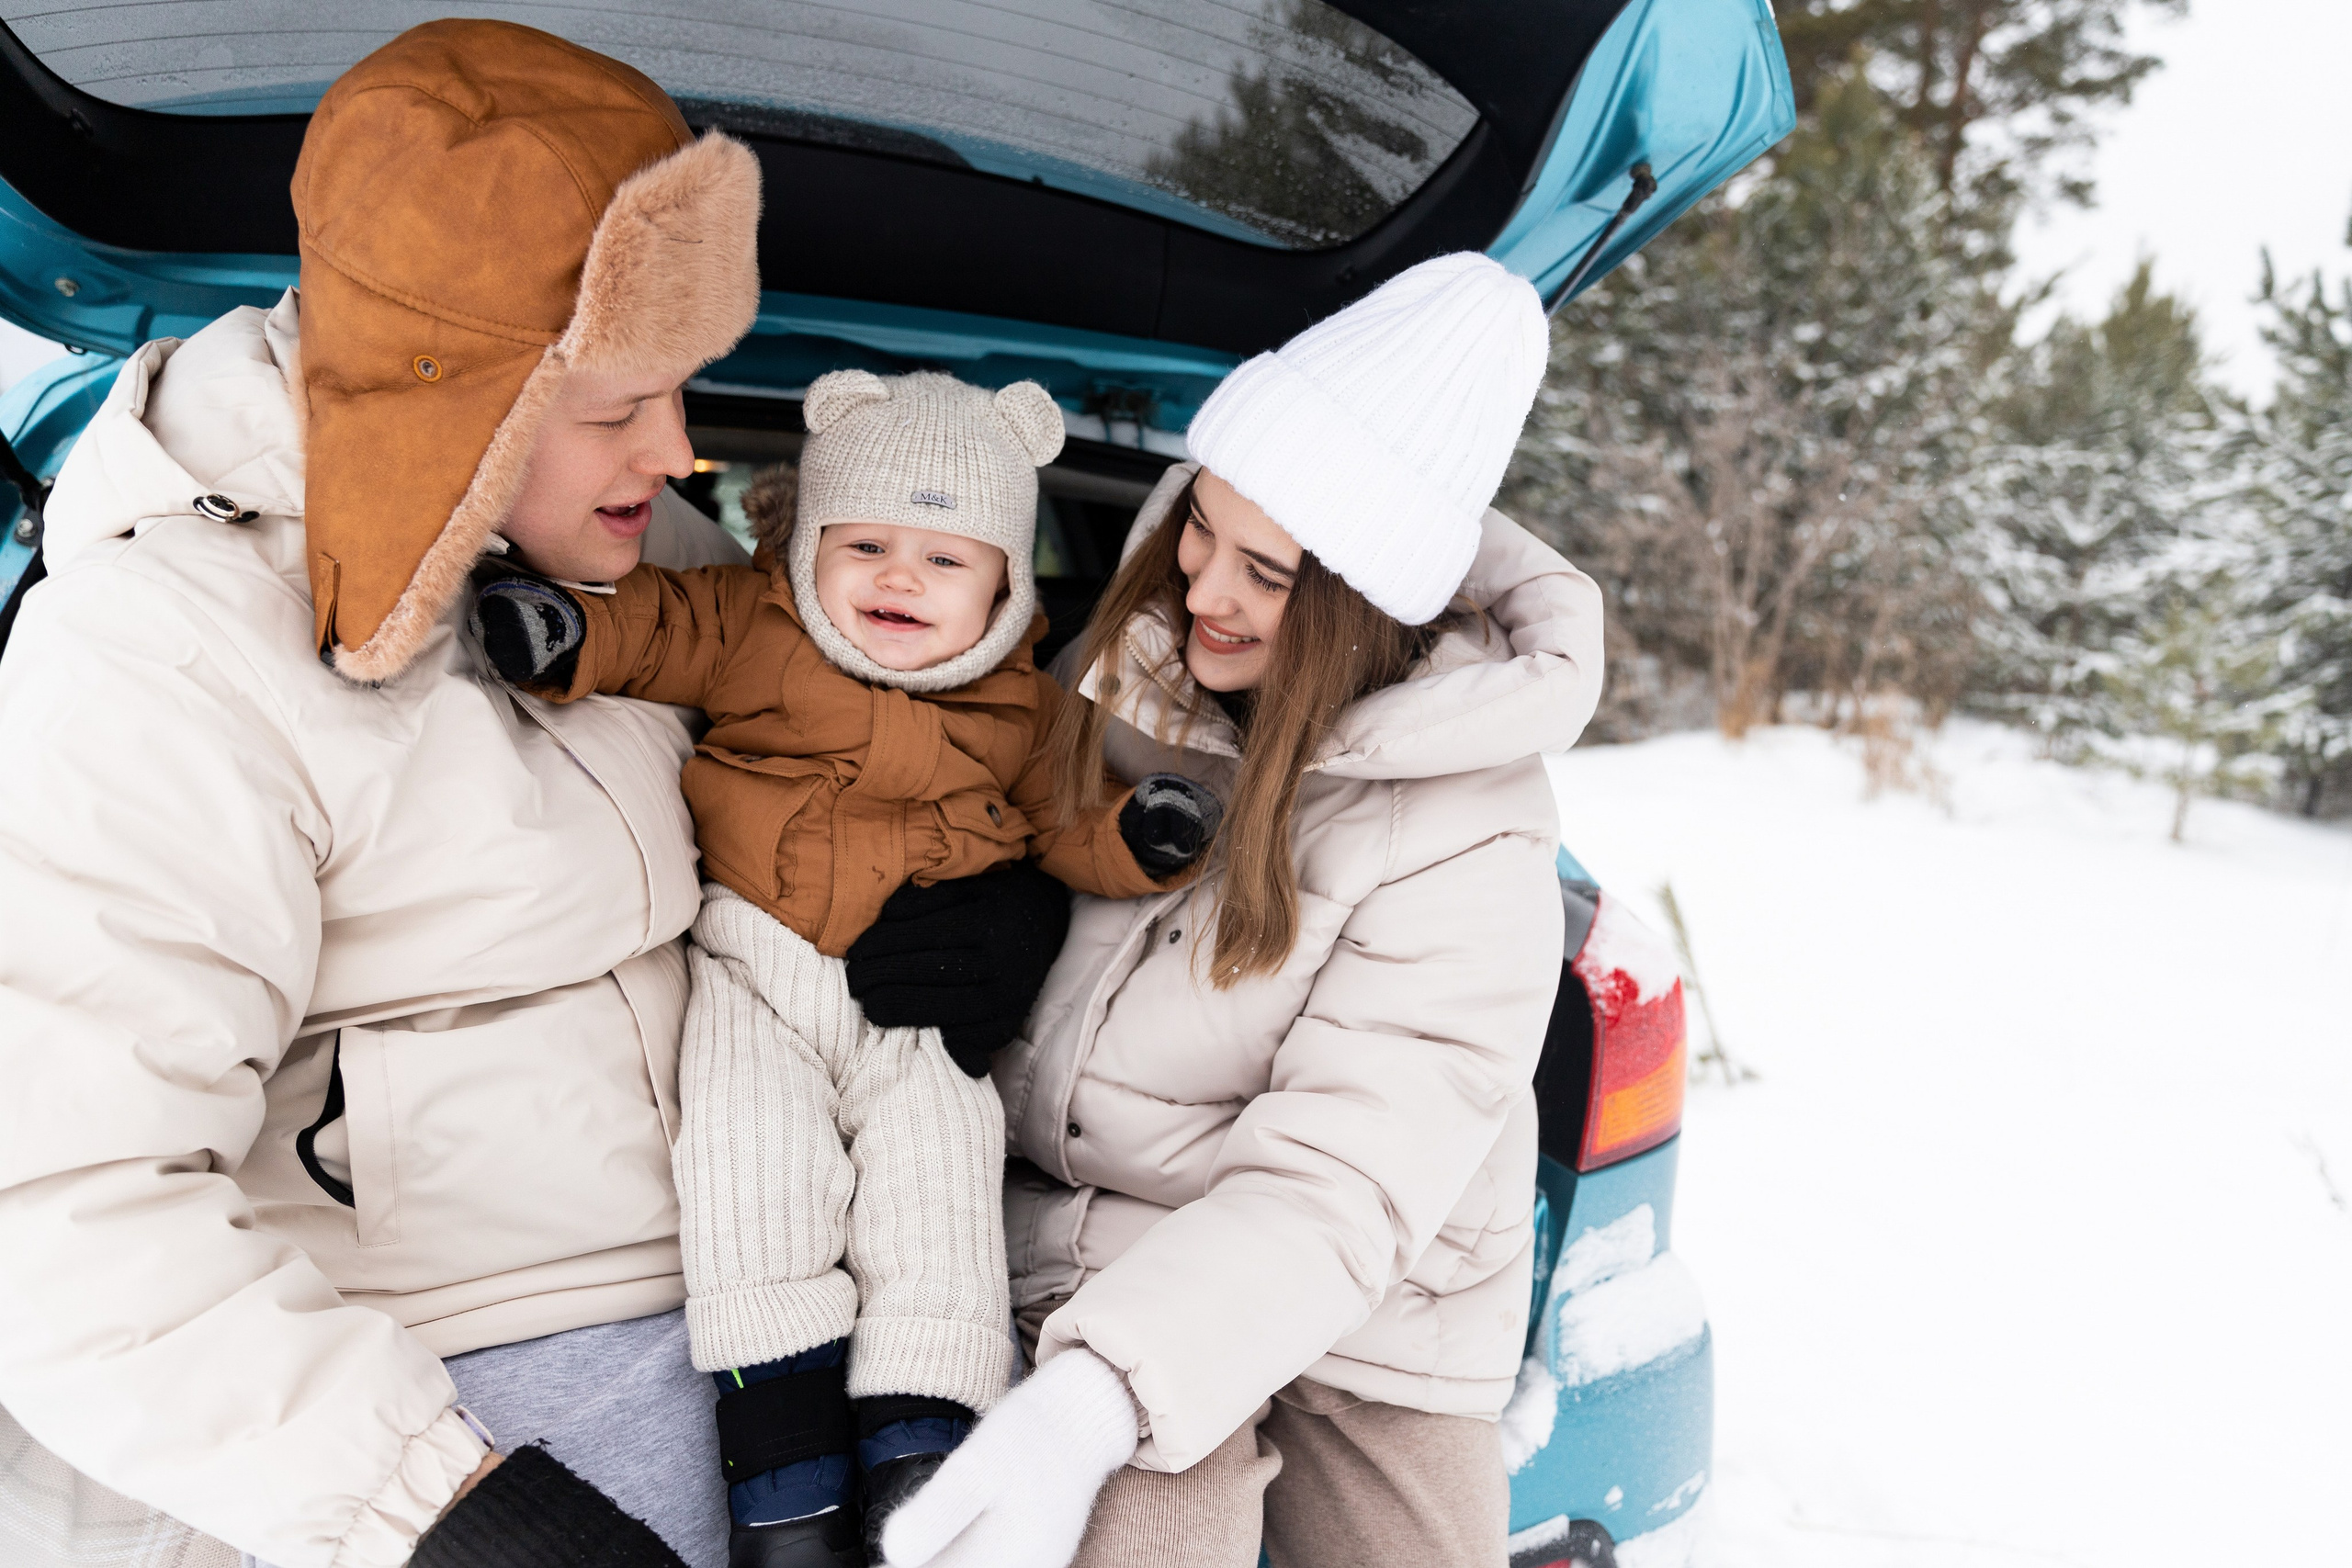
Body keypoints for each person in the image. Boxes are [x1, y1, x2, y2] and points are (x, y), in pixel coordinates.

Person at [0, 24, 1066, 1568]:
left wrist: (1004, 904)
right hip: (443, 1446)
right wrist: (440, 1519)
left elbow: (897, 762)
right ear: (459, 389)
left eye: (683, 391)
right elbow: (59, 1209)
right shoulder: (159, 656)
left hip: (797, 1302)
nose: (683, 453)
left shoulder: (668, 572)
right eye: (619, 403)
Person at [878, 253, 1607, 1568]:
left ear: (1364, 600)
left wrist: (1095, 1400)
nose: (1202, 588)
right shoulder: (1130, 678)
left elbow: (1339, 1188)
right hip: (1112, 1235)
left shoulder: (1472, 830)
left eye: (1265, 576)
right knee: (1151, 1529)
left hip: (1390, 1282)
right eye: (1199, 527)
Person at [468, 368, 1223, 1566]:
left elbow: (1068, 813)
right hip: (755, 968)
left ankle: (916, 1453)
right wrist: (561, 635)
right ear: (806, 544)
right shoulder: (745, 624)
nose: (897, 579)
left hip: (922, 1005)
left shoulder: (1023, 708)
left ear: (1005, 584)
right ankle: (786, 1492)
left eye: (944, 559)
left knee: (936, 1190)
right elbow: (649, 622)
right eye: (863, 543)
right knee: (749, 1182)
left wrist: (1139, 840)